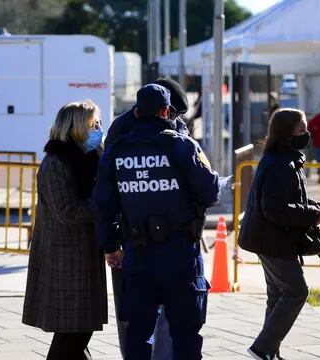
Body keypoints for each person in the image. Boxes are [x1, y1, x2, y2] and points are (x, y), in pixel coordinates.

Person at [93, 84, 220, 360]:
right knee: (185, 334)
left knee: (138, 333)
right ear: (166, 111)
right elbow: (210, 192)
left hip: (138, 254)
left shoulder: (116, 152)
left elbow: (102, 204)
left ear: (137, 113)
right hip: (180, 254)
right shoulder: (182, 145)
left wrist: (110, 246)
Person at [104, 77, 191, 360]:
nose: (174, 118)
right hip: (133, 234)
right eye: (172, 112)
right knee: (134, 311)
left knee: (172, 310)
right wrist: (112, 240)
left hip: (172, 232)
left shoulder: (176, 127)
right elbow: (109, 188)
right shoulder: (122, 129)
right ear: (163, 107)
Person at [238, 108, 320, 360]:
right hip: (272, 239)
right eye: (301, 129)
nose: (306, 134)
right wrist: (311, 215)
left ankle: (269, 351)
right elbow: (274, 208)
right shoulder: (281, 162)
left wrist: (313, 207)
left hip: (269, 237)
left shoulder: (284, 157)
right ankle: (262, 348)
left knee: (278, 294)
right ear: (286, 133)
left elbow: (288, 197)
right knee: (296, 292)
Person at [22, 100, 108, 360]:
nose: (98, 130)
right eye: (94, 124)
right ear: (76, 128)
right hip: (66, 260)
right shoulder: (57, 163)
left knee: (79, 334)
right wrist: (105, 204)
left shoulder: (88, 158)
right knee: (73, 335)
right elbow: (67, 212)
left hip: (83, 256)